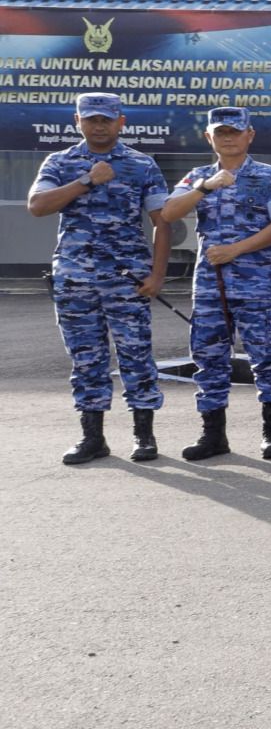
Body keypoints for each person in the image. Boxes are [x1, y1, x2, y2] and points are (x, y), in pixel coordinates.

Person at [28, 92, 171, 464]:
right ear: (77, 122)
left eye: (106, 119)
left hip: (128, 280)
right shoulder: (60, 162)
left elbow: (164, 222)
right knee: (86, 358)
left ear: (121, 122)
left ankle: (144, 436)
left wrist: (157, 275)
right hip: (75, 280)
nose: (99, 125)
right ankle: (93, 438)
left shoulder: (142, 165)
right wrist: (87, 181)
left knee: (136, 355)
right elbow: (37, 206)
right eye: (91, 119)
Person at [159, 107, 271, 462]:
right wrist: (206, 187)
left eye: (235, 131)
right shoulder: (198, 176)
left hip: (256, 285)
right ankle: (213, 435)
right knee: (209, 358)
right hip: (210, 287)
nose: (228, 137)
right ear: (209, 138)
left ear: (250, 135)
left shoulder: (269, 176)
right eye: (221, 132)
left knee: (267, 358)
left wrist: (237, 249)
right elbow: (168, 213)